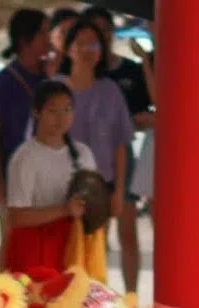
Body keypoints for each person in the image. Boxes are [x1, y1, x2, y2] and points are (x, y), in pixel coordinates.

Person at [83, 6, 152, 297]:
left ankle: (132, 295)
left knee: (128, 234)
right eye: (94, 34)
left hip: (122, 157)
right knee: (93, 236)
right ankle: (93, 295)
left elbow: (151, 112)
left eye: (106, 31)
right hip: (88, 164)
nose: (102, 38)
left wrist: (146, 61)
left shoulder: (129, 72)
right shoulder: (82, 75)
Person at [59, 18, 133, 269]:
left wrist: (119, 191)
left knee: (95, 255)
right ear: (68, 49)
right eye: (81, 44)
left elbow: (120, 144)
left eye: (93, 44)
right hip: (59, 187)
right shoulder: (55, 88)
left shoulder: (110, 90)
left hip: (101, 187)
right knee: (63, 253)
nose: (87, 50)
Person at [4, 80, 95, 276]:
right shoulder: (25, 157)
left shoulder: (83, 153)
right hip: (36, 251)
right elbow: (17, 217)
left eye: (67, 110)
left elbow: (95, 203)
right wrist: (65, 210)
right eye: (53, 111)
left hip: (74, 245)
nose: (61, 118)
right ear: (37, 113)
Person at [0, 9, 52, 264]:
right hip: (12, 174)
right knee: (12, 240)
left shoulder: (50, 75)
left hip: (44, 174)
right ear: (26, 40)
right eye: (44, 33)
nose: (49, 40)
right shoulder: (4, 82)